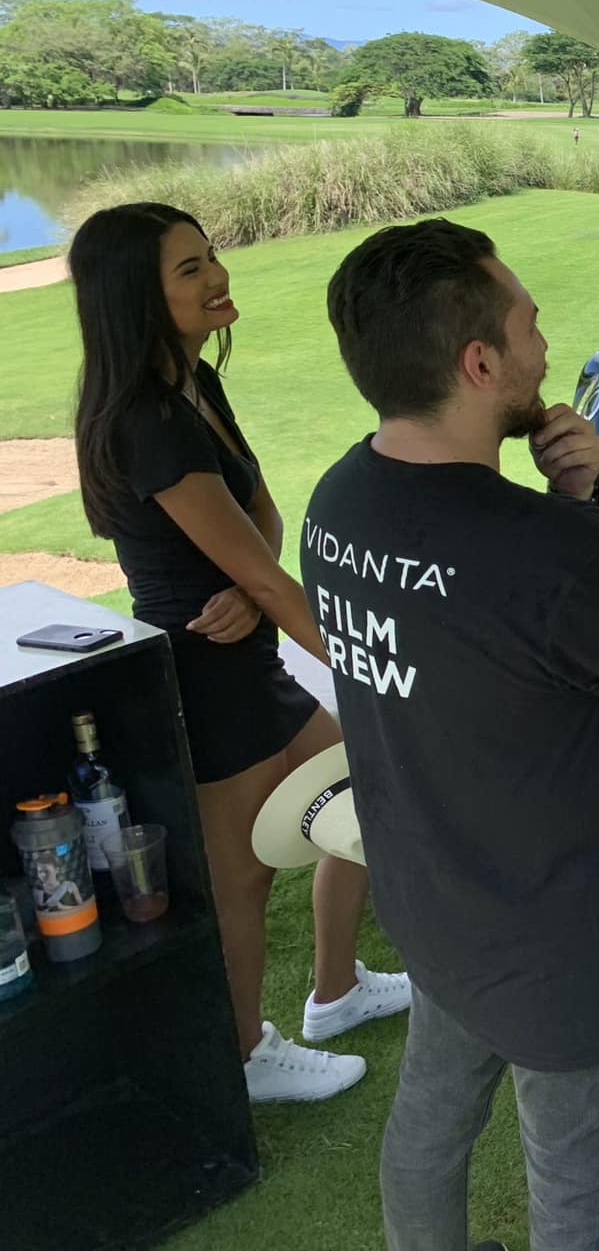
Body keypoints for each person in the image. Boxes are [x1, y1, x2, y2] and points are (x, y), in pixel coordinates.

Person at [308, 218, 599, 1251]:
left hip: (435, 902)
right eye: (529, 325)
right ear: (479, 362)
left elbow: (469, 635)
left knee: (428, 1129)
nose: (544, 348)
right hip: (563, 946)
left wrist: (570, 501)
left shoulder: (337, 500)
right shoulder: (545, 549)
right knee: (583, 1199)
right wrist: (580, 515)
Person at [69, 202, 407, 1105]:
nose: (217, 275)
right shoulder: (149, 421)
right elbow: (265, 574)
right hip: (202, 677)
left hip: (245, 652)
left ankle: (334, 992)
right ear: (136, 297)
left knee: (368, 790)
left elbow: (262, 519)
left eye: (211, 255)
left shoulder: (195, 386)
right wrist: (363, 665)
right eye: (189, 268)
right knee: (242, 879)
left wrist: (250, 590)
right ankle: (247, 1054)